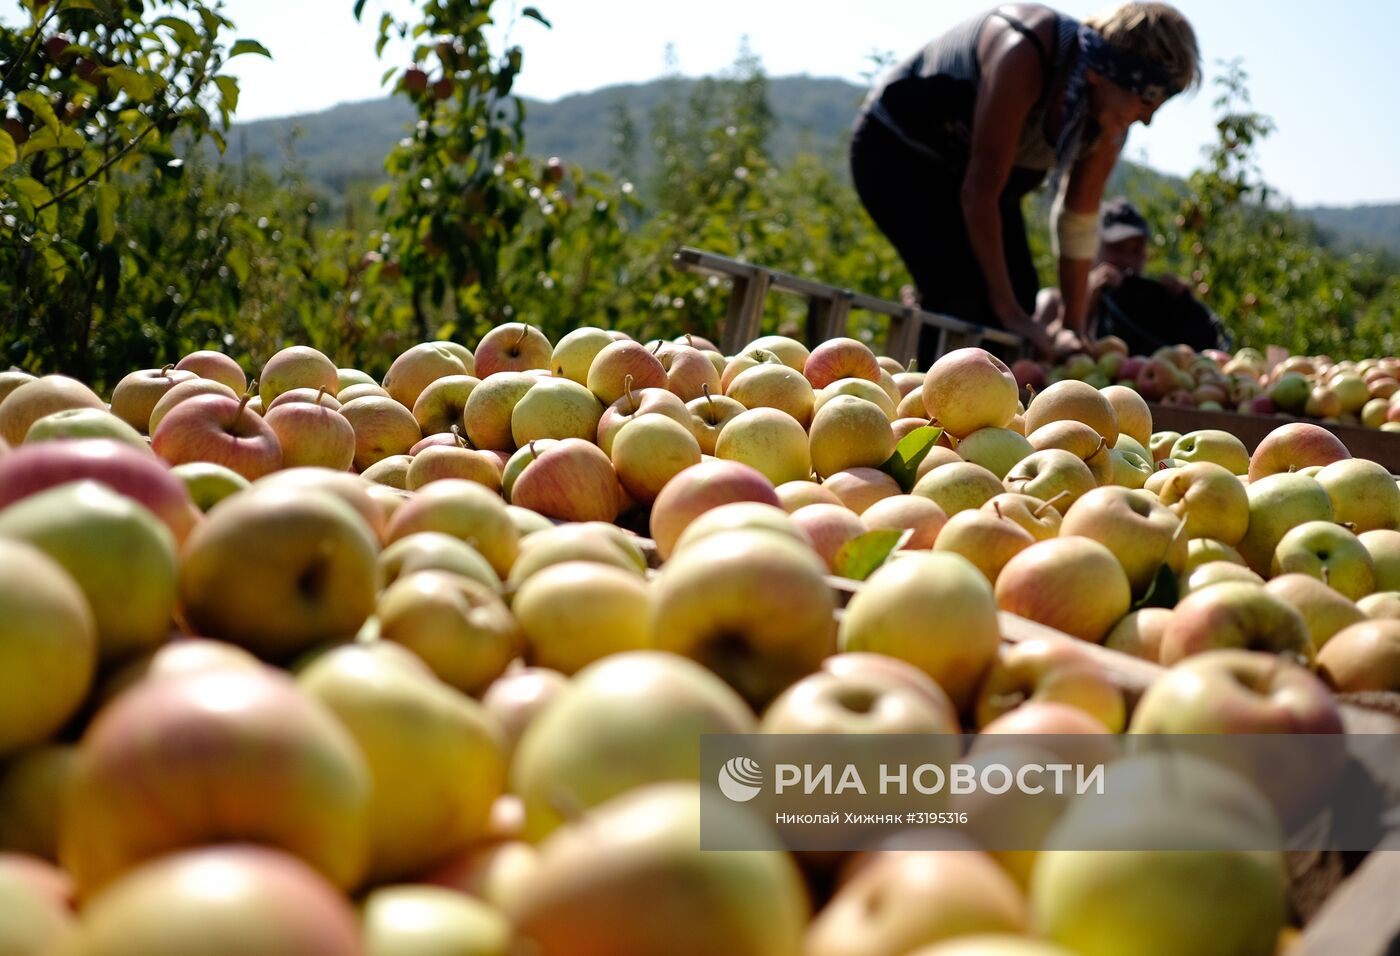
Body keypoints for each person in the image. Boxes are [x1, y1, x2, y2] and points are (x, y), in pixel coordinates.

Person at [849, 3, 1200, 367]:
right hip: (898, 153)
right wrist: (1009, 312)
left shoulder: (1108, 120)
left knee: (1021, 294)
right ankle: (928, 408)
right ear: (1103, 72)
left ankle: (989, 412)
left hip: (982, 182)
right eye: (1146, 100)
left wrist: (1072, 326)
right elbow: (980, 190)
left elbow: (1077, 220)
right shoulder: (1025, 51)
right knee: (961, 295)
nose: (1146, 119)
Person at [1035, 198, 1230, 354]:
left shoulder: (1146, 313)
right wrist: (1087, 299)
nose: (1127, 260)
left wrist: (1179, 304)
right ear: (1090, 247)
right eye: (1117, 248)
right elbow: (1040, 357)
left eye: (1136, 251)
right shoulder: (1052, 302)